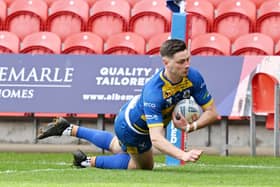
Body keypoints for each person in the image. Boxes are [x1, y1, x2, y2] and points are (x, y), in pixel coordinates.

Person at [37, 39, 219, 170]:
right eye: (181, 62)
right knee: (142, 166)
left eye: (188, 59)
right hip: (133, 128)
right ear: (166, 62)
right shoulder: (154, 91)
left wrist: (191, 126)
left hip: (134, 119)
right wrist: (183, 155)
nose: (187, 65)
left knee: (118, 146)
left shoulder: (193, 76)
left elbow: (212, 112)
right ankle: (86, 162)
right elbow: (157, 138)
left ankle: (69, 128)